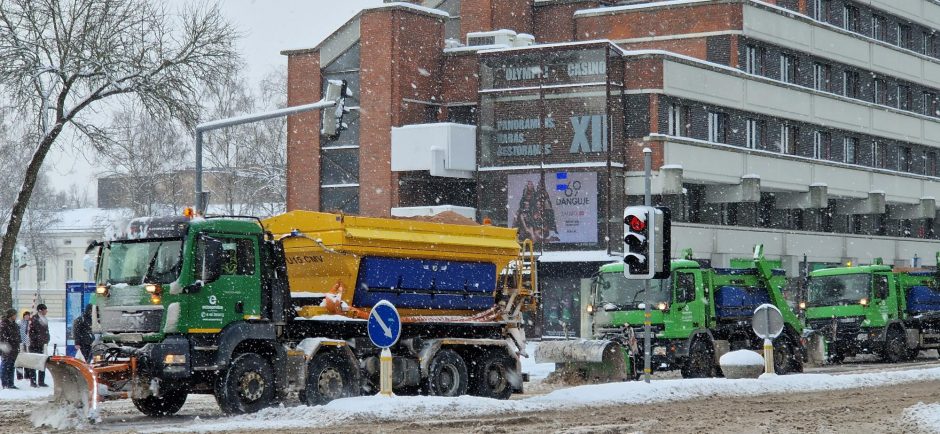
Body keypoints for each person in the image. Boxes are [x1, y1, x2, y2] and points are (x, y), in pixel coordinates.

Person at [27, 304, 49, 387]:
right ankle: (33, 381)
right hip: (35, 345)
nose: (46, 311)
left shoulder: (44, 319)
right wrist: (39, 340)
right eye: (45, 309)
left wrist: (47, 339)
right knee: (34, 363)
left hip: (43, 345)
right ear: (40, 310)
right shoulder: (34, 319)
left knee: (42, 363)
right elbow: (32, 333)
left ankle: (41, 381)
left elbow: (46, 332)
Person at [0, 308, 20, 389]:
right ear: (11, 315)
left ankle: (11, 383)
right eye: (15, 314)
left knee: (12, 367)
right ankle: (5, 384)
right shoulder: (4, 325)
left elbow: (17, 336)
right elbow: (2, 338)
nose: (16, 316)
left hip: (14, 349)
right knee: (5, 366)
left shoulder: (15, 325)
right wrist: (7, 346)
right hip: (6, 349)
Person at [16, 311, 29, 380]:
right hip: (20, 343)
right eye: (26, 315)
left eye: (28, 315)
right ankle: (19, 375)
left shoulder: (29, 323)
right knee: (20, 359)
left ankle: (27, 375)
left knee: (27, 359)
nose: (27, 317)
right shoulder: (19, 322)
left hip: (27, 343)